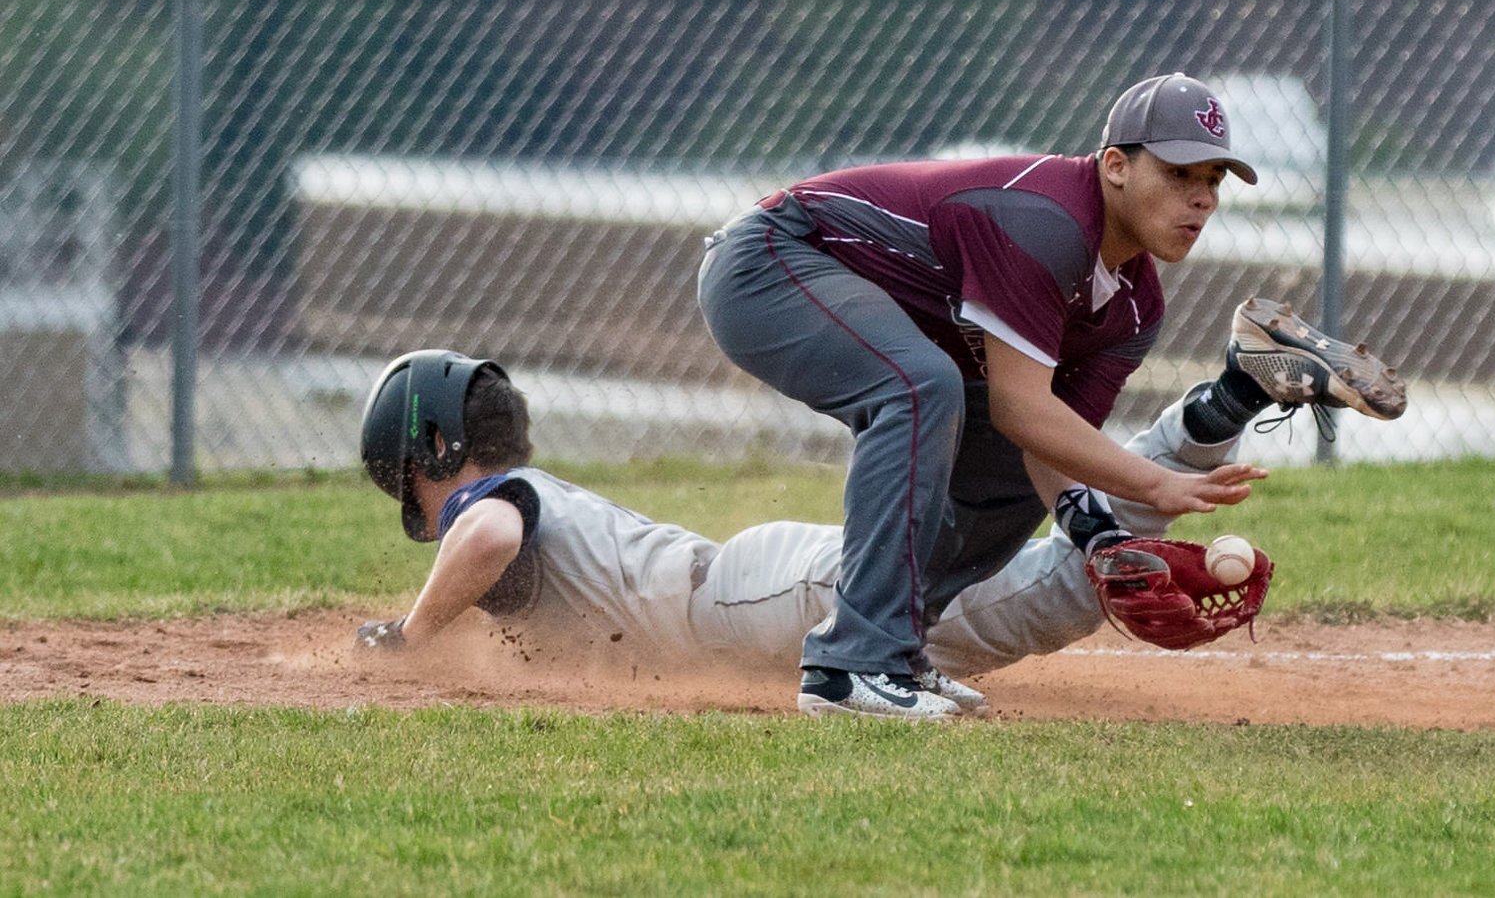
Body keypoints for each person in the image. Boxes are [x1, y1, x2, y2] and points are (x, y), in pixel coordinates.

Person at [352, 298, 1406, 721]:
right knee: (1031, 596)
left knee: (1021, 602)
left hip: (748, 600)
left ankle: (1230, 395)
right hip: (757, 594)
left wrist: (410, 633)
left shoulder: (490, 504)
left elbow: (485, 533)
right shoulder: (522, 496)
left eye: (412, 477)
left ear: (436, 450)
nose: (421, 499)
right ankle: (1229, 396)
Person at [693, 72, 1290, 718]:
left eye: (1212, 180)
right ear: (1115, 165)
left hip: (841, 289)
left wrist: (1105, 543)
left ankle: (896, 647)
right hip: (770, 260)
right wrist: (1155, 485)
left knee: (996, 441)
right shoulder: (1047, 223)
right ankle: (851, 665)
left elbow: (1044, 439)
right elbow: (1018, 402)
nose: (1201, 199)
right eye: (1179, 174)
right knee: (921, 386)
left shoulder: (1134, 308)